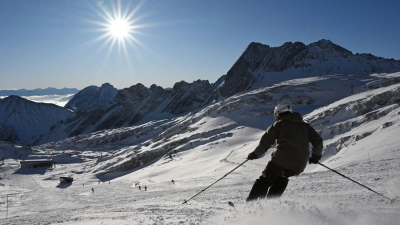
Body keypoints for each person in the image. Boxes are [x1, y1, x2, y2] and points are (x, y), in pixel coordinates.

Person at [246, 103, 323, 202]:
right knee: (282, 178)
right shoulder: (305, 126)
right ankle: (270, 206)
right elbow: (318, 141)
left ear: (279, 113)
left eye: (276, 115)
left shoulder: (279, 124)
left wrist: (255, 154)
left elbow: (265, 142)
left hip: (281, 160)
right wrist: (316, 156)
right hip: (299, 165)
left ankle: (251, 205)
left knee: (264, 180)